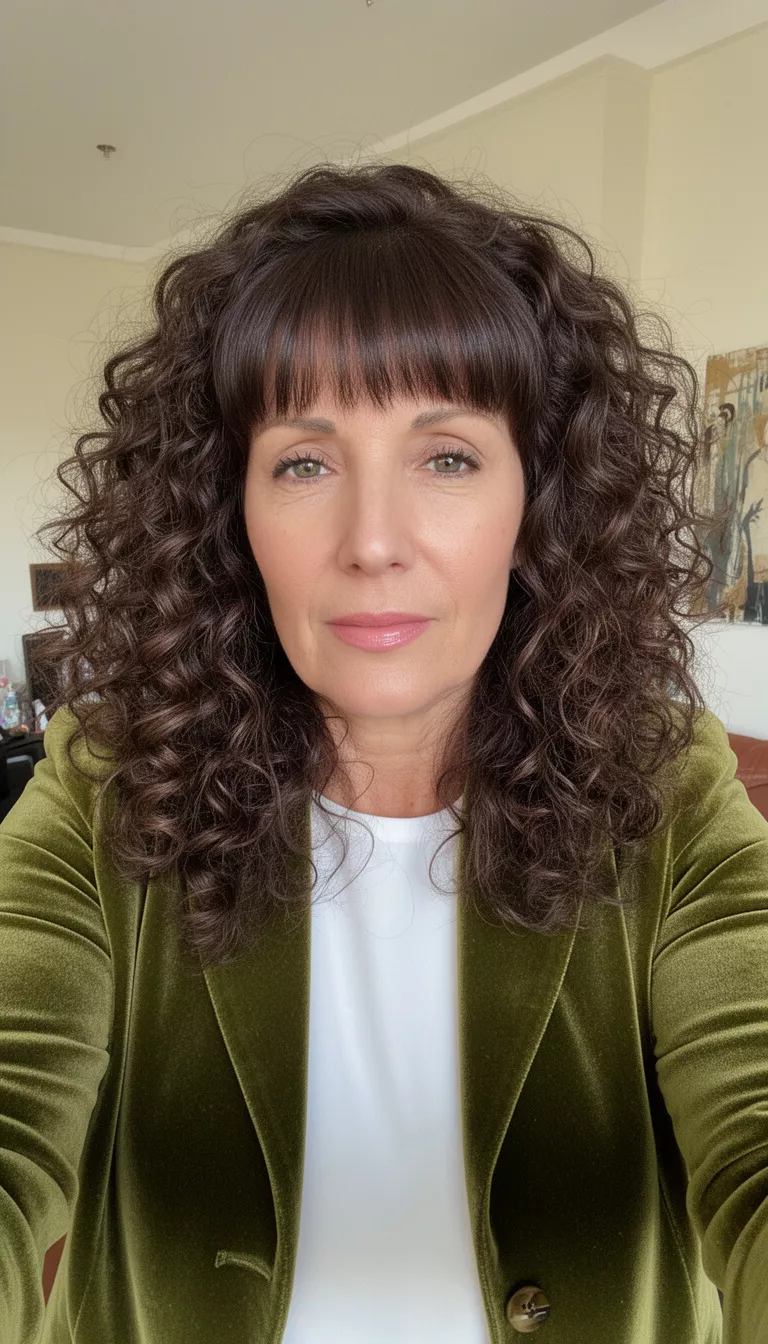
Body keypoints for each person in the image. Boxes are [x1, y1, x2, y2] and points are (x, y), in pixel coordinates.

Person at [0, 159, 766, 1344]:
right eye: (304, 462)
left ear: (538, 501)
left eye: (446, 456)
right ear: (230, 511)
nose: (372, 540)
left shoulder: (667, 787)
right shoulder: (108, 780)